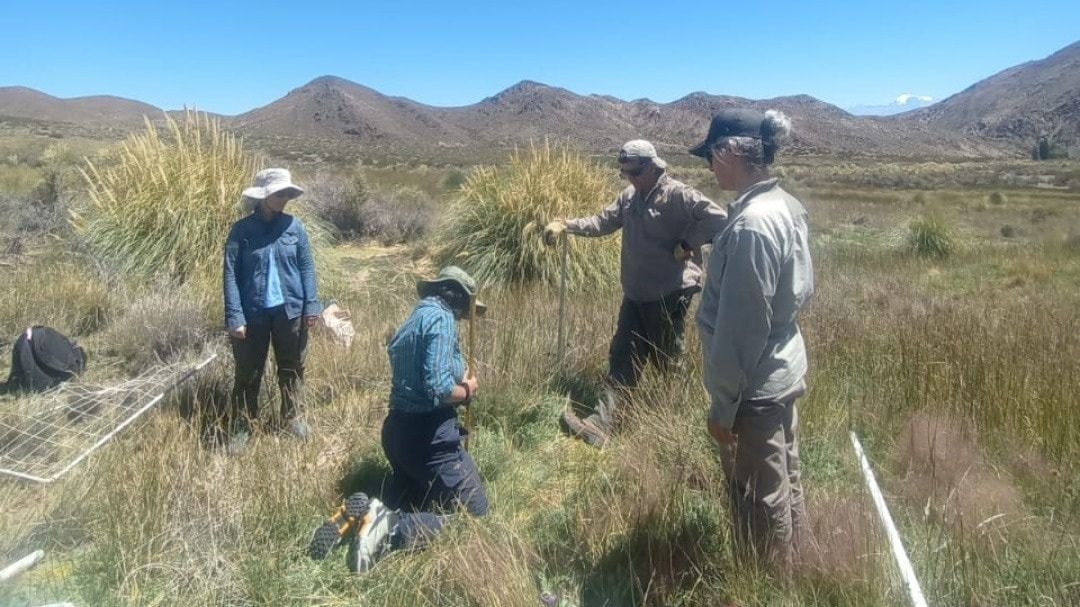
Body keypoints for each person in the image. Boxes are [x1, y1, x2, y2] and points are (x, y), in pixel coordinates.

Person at [689, 109, 813, 576]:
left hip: (753, 388)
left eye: (710, 156)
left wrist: (723, 408)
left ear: (730, 153)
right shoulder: (785, 205)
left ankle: (768, 581)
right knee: (786, 478)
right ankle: (797, 565)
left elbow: (741, 330)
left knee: (759, 496)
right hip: (781, 369)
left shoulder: (751, 226)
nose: (709, 167)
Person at [543, 140, 726, 447]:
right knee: (622, 357)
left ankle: (680, 425)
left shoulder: (678, 195)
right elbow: (602, 222)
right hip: (636, 293)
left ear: (653, 167)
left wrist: (688, 243)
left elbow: (718, 219)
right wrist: (567, 225)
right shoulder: (629, 197)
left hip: (669, 293)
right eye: (625, 173)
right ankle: (599, 427)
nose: (630, 178)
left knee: (667, 360)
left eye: (635, 172)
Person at [310, 266, 489, 573]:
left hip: (397, 435)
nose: (463, 318)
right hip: (429, 439)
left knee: (423, 498)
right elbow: (438, 388)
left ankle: (370, 508)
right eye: (466, 310)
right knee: (476, 516)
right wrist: (467, 390)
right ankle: (391, 529)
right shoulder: (442, 319)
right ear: (458, 299)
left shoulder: (414, 320)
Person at [222, 168, 322, 453]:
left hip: (290, 311)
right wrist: (235, 316)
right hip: (252, 314)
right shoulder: (241, 231)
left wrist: (311, 305)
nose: (284, 198)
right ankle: (243, 426)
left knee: (293, 368)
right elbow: (230, 274)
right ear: (263, 196)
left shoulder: (295, 227)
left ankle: (292, 418)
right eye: (279, 193)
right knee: (248, 372)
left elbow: (306, 267)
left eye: (287, 193)